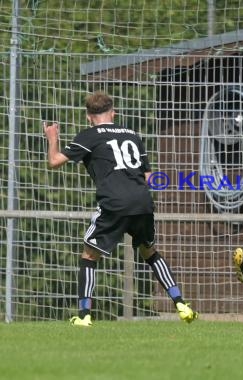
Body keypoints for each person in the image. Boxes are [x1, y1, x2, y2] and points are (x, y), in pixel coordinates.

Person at [44, 91, 198, 327]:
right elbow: (148, 177)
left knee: (89, 255)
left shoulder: (89, 135)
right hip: (142, 201)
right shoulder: (131, 135)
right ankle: (180, 303)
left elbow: (54, 162)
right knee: (150, 252)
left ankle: (84, 316)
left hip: (114, 203)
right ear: (113, 113)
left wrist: (52, 137)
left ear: (88, 117)